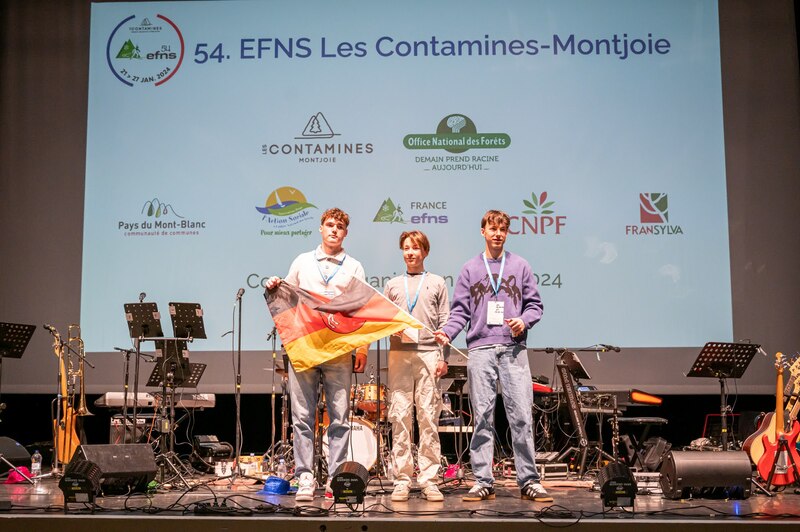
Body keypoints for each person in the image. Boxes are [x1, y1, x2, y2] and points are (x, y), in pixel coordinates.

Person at [434, 210, 552, 503]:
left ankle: (529, 480)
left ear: (507, 233)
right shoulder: (470, 268)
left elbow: (535, 306)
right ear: (483, 231)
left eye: (502, 229)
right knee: (483, 417)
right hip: (480, 350)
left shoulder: (520, 265)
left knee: (521, 416)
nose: (497, 233)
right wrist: (448, 332)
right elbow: (460, 311)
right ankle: (483, 481)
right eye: (492, 228)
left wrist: (523, 321)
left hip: (513, 349)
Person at [266, 207, 368, 502]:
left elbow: (361, 310)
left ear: (345, 233)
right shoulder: (302, 261)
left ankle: (335, 477)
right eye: (330, 225)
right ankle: (305, 477)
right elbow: (285, 296)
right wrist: (273, 284)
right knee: (302, 417)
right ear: (321, 229)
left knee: (339, 418)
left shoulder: (354, 267)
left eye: (340, 226)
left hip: (338, 350)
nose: (334, 230)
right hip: (305, 348)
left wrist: (362, 347)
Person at [383, 230, 450, 502]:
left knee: (428, 417)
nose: (410, 252)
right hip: (399, 355)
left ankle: (429, 480)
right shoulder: (392, 285)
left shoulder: (437, 282)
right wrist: (392, 330)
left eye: (416, 248)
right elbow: (384, 321)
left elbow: (445, 322)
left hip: (429, 354)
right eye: (406, 248)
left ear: (425, 251)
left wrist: (443, 357)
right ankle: (402, 479)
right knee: (399, 416)